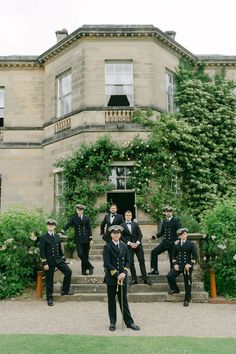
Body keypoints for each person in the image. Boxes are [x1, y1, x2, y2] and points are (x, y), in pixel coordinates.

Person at [103, 225, 140, 331]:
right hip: (111, 278)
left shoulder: (124, 246)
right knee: (111, 301)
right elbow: (107, 263)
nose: (116, 235)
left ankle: (129, 322)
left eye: (118, 233)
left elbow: (128, 262)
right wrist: (116, 274)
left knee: (124, 300)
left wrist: (124, 273)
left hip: (123, 278)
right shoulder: (107, 247)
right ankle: (112, 323)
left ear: (120, 234)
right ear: (111, 234)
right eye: (114, 233)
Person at [40, 219, 74, 306]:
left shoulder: (57, 236)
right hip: (49, 262)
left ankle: (64, 290)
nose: (51, 226)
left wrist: (63, 259)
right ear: (47, 226)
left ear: (54, 226)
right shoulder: (43, 237)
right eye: (49, 225)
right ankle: (50, 298)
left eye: (52, 225)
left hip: (58, 260)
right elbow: (42, 252)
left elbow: (59, 249)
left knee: (68, 272)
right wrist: (45, 263)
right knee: (49, 280)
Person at [167, 228, 198, 306]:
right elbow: (173, 256)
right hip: (179, 265)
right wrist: (175, 264)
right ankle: (175, 289)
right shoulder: (177, 245)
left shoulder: (190, 244)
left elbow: (195, 256)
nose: (185, 235)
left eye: (185, 234)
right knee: (170, 276)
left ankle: (187, 299)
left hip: (187, 266)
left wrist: (190, 264)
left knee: (187, 282)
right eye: (183, 234)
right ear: (179, 236)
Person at [61, 204, 94, 275]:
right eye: (78, 210)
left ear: (83, 211)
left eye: (81, 210)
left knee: (85, 255)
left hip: (86, 239)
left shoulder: (86, 218)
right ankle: (90, 266)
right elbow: (68, 224)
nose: (80, 211)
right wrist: (62, 230)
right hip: (78, 239)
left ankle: (84, 271)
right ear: (76, 210)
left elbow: (89, 228)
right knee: (80, 254)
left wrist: (91, 239)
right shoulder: (74, 218)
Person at [121, 210, 152, 285]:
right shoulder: (122, 225)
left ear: (131, 216)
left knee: (142, 261)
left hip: (138, 245)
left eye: (129, 215)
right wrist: (129, 243)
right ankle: (134, 279)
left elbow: (140, 235)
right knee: (131, 262)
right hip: (129, 246)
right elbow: (121, 237)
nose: (128, 216)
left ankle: (145, 278)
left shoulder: (135, 224)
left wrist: (137, 243)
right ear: (125, 216)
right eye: (127, 215)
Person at [148, 205, 181, 275]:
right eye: (167, 212)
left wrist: (178, 240)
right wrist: (152, 237)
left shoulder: (176, 220)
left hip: (173, 243)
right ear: (165, 213)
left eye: (170, 212)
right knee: (154, 252)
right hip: (165, 242)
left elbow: (179, 231)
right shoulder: (164, 221)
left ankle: (173, 272)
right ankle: (154, 270)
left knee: (172, 259)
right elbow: (162, 233)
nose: (168, 213)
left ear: (172, 213)